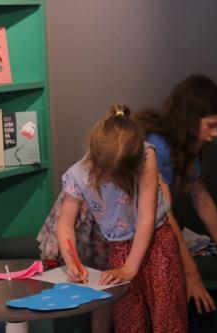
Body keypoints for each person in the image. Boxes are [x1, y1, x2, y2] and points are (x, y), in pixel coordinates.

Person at [54, 104, 187, 332]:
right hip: (119, 248)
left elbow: (146, 217)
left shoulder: (146, 155)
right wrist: (72, 263)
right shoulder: (77, 175)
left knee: (168, 319)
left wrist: (130, 269)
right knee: (128, 322)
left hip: (157, 243)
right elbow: (65, 224)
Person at [135, 74, 217, 311]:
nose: (215, 134)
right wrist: (191, 275)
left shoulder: (189, 150)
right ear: (190, 120)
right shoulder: (156, 149)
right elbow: (164, 216)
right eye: (211, 126)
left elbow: (202, 200)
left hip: (152, 224)